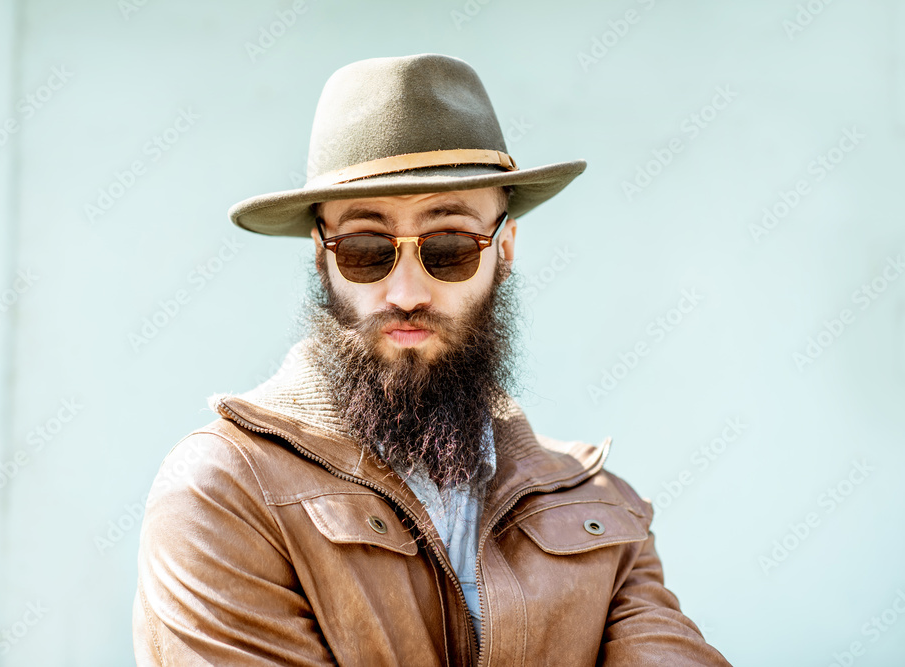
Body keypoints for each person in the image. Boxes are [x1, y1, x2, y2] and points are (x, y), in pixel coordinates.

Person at [132, 53, 731, 666]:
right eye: (366, 250)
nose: (407, 293)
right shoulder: (223, 491)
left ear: (506, 248)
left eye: (448, 247)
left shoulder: (602, 505)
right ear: (321, 256)